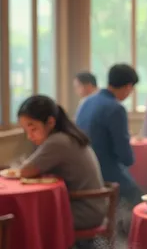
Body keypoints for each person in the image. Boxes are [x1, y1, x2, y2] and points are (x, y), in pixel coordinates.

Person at [18, 95, 106, 230]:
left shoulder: (58, 141)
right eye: (26, 131)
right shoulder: (66, 136)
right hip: (92, 205)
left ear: (51, 122)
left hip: (84, 211)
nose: (29, 136)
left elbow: (25, 171)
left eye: (33, 129)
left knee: (25, 218)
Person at [76, 64, 141, 207]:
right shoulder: (116, 108)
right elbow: (125, 155)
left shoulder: (86, 102)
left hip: (82, 169)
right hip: (104, 170)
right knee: (137, 196)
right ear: (128, 87)